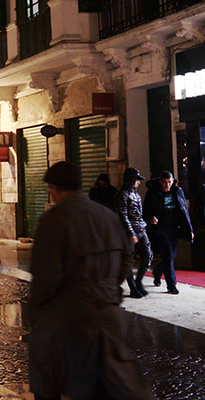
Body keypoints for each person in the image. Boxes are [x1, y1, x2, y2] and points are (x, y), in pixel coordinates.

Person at [29, 161, 154, 400]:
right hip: (109, 316)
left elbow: (45, 280)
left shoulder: (53, 221)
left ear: (55, 189)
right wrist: (106, 289)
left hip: (69, 319)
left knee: (45, 374)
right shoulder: (106, 215)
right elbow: (125, 260)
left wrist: (34, 313)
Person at [143, 171, 194, 295]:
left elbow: (184, 211)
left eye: (170, 182)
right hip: (160, 228)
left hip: (174, 228)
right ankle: (171, 285)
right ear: (160, 181)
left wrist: (190, 229)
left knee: (171, 257)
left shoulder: (177, 191)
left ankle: (157, 272)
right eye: (165, 182)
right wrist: (151, 218)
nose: (167, 185)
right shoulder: (153, 193)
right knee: (168, 254)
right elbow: (145, 211)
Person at [116, 167, 153, 299]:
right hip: (128, 232)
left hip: (141, 229)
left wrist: (145, 225)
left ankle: (138, 282)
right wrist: (131, 233)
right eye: (137, 180)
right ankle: (133, 288)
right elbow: (123, 216)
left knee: (148, 256)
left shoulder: (136, 195)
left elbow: (140, 214)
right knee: (128, 261)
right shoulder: (122, 195)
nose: (139, 182)